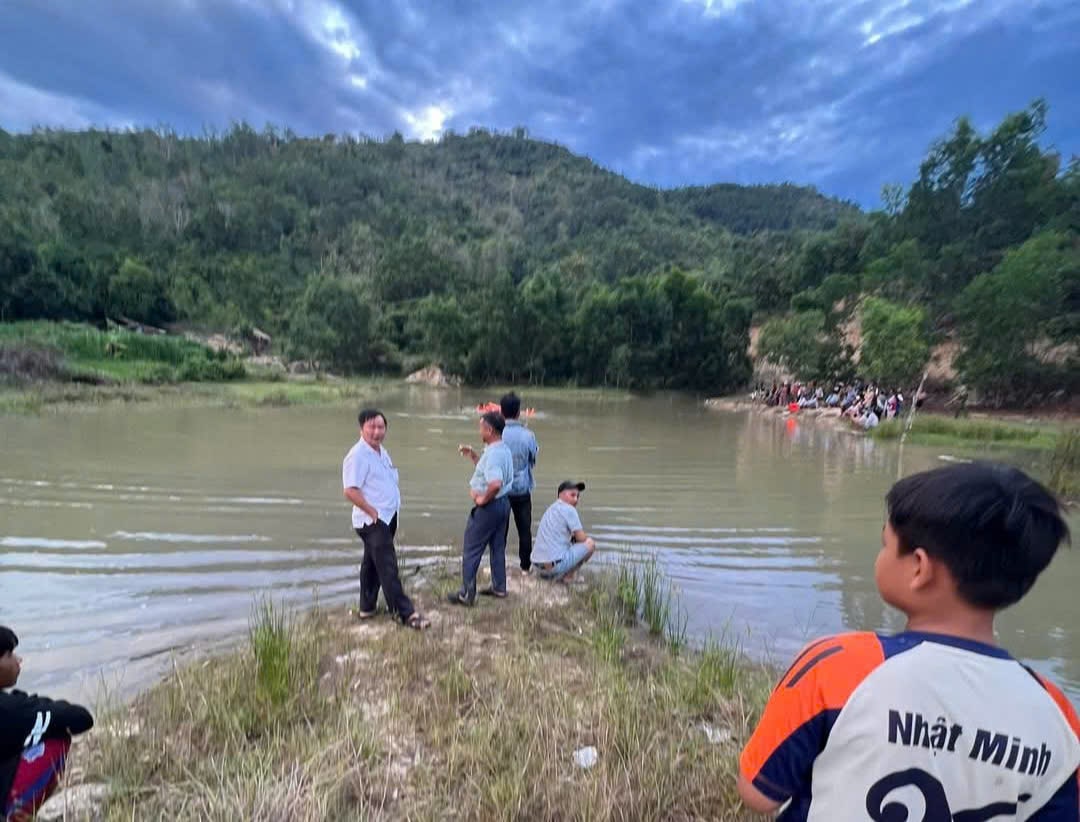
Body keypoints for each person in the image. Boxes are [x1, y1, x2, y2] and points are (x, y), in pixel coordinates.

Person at [737, 462, 1079, 819]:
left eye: (885, 544)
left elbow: (759, 792)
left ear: (919, 568)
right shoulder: (1057, 715)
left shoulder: (838, 665)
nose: (880, 555)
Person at [342, 408, 428, 630]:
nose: (377, 432)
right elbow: (350, 490)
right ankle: (405, 613)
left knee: (371, 564)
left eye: (381, 427)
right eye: (372, 427)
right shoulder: (357, 455)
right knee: (388, 566)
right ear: (362, 428)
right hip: (373, 521)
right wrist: (372, 512)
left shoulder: (380, 451)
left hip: (388, 517)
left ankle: (367, 608)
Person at [1, 626, 94, 821]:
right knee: (57, 737)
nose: (18, 660)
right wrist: (38, 709)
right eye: (9, 654)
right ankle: (15, 815)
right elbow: (81, 718)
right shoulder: (13, 710)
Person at [448, 411, 514, 605]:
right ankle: (499, 587)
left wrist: (483, 500)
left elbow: (495, 483)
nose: (480, 431)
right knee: (497, 547)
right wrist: (474, 457)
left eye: (481, 427)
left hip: (490, 507)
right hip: (503, 505)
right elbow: (490, 473)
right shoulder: (503, 449)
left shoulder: (493, 454)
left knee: (471, 549)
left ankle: (466, 594)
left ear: (489, 429)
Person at [500, 392, 539, 572]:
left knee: (500, 531)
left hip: (500, 490)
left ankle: (498, 567)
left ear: (501, 412)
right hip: (522, 490)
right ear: (518, 412)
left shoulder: (497, 433)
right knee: (525, 531)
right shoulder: (528, 435)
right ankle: (525, 568)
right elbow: (533, 458)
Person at [532, 481, 596, 582]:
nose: (576, 499)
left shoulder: (551, 508)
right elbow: (581, 538)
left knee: (571, 542)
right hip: (552, 568)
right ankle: (568, 577)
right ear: (561, 494)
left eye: (578, 496)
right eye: (572, 495)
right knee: (590, 544)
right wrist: (584, 538)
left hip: (537, 566)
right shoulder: (569, 509)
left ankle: (550, 575)